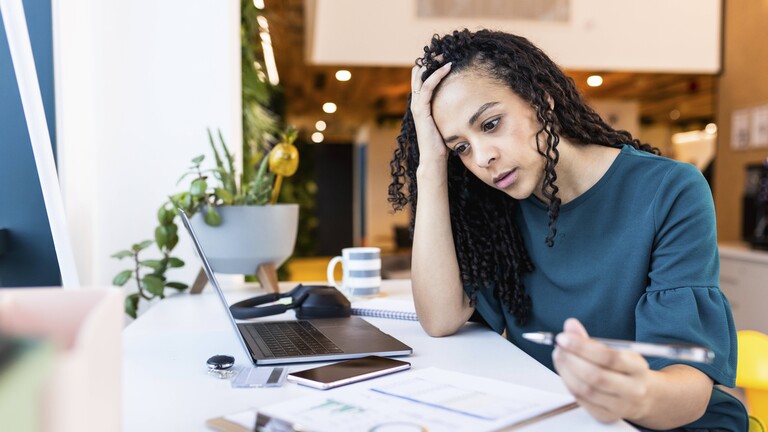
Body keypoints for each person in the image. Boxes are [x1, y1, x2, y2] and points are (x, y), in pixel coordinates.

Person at [388, 29, 747, 432]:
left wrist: (633, 392)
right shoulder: (496, 211)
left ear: (542, 96)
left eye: (490, 124)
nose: (483, 157)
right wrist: (431, 163)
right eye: (461, 148)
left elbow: (690, 392)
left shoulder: (669, 189)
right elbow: (440, 318)